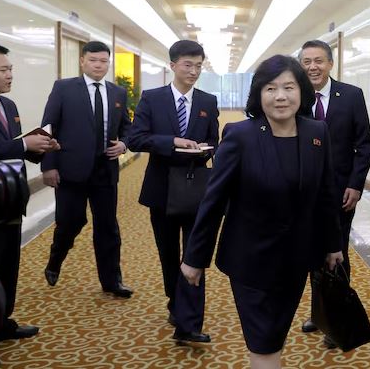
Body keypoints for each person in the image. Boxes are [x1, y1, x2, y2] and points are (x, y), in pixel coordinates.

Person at [180, 55, 343, 369]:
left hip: (297, 260)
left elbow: (326, 194)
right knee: (263, 343)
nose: (280, 96)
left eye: (288, 88)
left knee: (275, 337)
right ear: (258, 94)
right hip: (250, 261)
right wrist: (195, 258)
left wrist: (333, 244)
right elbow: (214, 201)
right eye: (271, 88)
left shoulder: (317, 133)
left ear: (302, 92)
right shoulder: (240, 135)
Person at [128, 40, 218, 343]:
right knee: (168, 254)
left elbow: (214, 142)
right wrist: (173, 142)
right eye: (187, 65)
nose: (193, 71)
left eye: (198, 66)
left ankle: (189, 323)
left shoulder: (207, 101)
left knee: (195, 253)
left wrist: (205, 150)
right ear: (173, 66)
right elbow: (136, 139)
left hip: (196, 188)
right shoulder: (152, 98)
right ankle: (175, 302)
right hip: (162, 189)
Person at [41, 41, 133, 298]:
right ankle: (55, 259)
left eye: (104, 61)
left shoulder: (117, 93)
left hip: (105, 170)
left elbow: (127, 127)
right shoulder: (63, 88)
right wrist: (49, 166)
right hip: (71, 170)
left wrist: (124, 144)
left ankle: (112, 281)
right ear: (82, 61)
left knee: (108, 228)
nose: (98, 65)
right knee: (70, 222)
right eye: (93, 60)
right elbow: (48, 127)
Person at [0, 43, 60, 368]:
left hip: (10, 200)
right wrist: (21, 144)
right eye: (3, 69)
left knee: (6, 267)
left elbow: (12, 148)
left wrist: (38, 148)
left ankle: (0, 323)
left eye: (11, 69)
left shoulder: (8, 105)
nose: (10, 75)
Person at [298, 39, 370, 346]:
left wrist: (355, 185)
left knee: (337, 253)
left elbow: (364, 144)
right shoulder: (297, 96)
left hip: (341, 193)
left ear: (330, 63)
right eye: (306, 62)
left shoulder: (351, 95)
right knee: (310, 253)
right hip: (305, 192)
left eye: (318, 61)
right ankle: (318, 313)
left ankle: (336, 319)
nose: (313, 67)